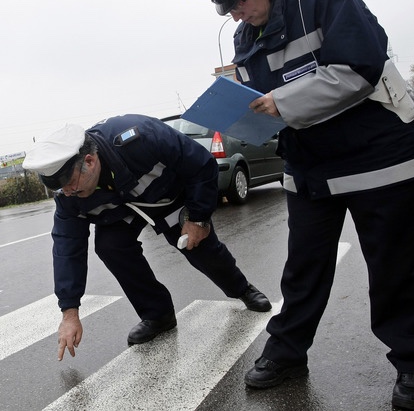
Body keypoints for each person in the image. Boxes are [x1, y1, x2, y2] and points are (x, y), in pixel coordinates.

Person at [190, 0, 414, 409]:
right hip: (311, 165)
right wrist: (246, 113)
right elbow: (261, 101)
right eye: (226, 8)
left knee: (394, 269)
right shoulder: (247, 37)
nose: (235, 13)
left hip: (377, 155)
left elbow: (361, 69)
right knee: (302, 269)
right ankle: (287, 352)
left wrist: (282, 103)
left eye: (238, 0)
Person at [22, 113, 271, 361]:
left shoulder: (140, 138)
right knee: (110, 246)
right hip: (119, 212)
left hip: (166, 197)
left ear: (89, 161)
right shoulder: (69, 197)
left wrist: (198, 218)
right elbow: (67, 249)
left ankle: (242, 289)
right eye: (60, 188)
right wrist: (69, 311)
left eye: (70, 183)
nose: (67, 192)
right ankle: (158, 315)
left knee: (199, 246)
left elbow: (201, 165)